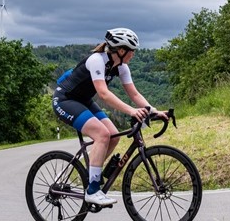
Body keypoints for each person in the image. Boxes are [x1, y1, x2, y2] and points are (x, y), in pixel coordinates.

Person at [52, 28, 168, 206]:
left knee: (113, 135)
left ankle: (91, 176)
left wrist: (154, 111)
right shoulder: (97, 60)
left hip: (83, 100)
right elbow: (104, 94)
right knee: (102, 134)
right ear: (121, 51)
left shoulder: (122, 67)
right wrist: (132, 111)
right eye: (132, 50)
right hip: (65, 99)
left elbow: (135, 95)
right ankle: (92, 190)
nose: (134, 54)